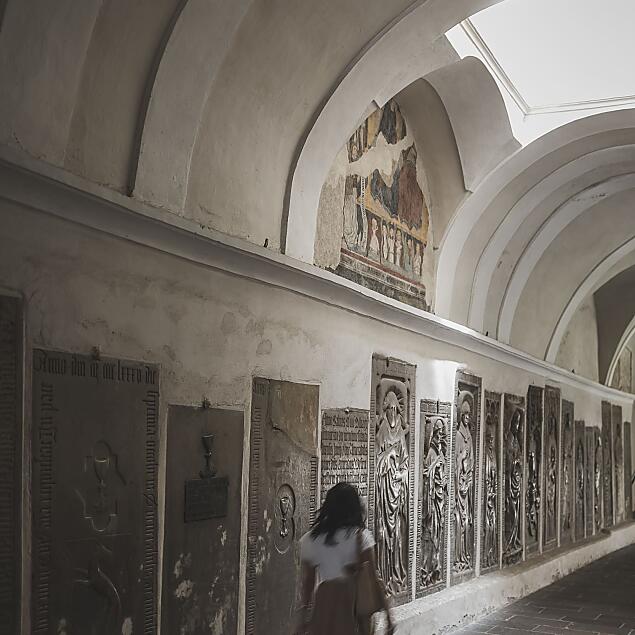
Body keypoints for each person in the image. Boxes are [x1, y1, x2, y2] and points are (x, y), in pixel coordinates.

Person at [296, 482, 395, 635]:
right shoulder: (361, 537)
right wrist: (388, 616)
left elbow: (307, 584)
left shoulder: (311, 539)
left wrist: (302, 620)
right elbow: (374, 579)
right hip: (354, 606)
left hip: (325, 604)